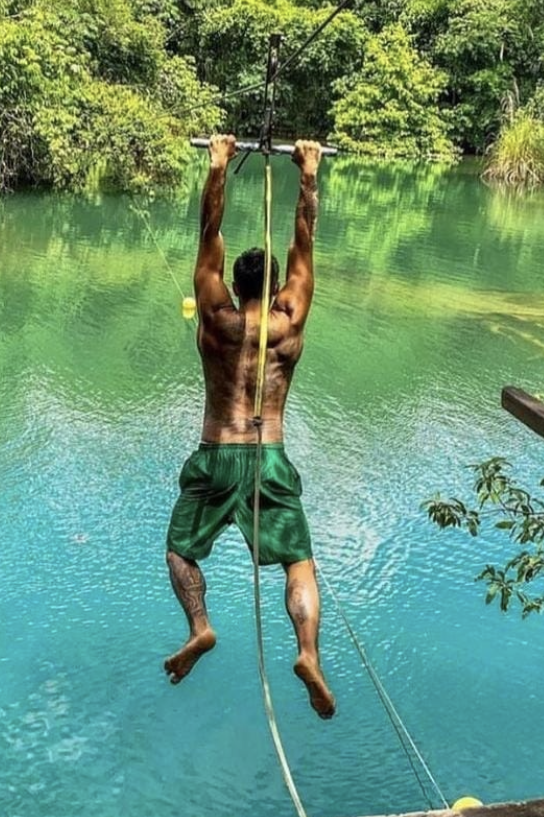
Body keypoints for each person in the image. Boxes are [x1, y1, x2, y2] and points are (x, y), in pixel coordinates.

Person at [163, 133, 335, 720]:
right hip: (270, 455)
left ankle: (201, 626)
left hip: (216, 452)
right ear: (276, 286)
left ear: (235, 285)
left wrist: (218, 165)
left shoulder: (215, 317)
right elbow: (304, 243)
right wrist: (307, 172)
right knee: (299, 563)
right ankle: (308, 652)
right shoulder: (290, 318)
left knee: (180, 551)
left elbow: (207, 238)